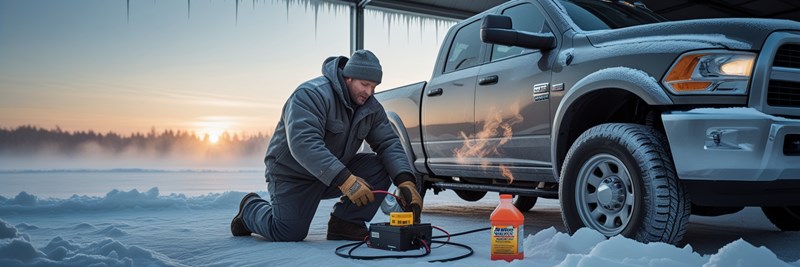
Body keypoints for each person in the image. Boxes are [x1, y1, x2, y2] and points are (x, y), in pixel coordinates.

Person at [230, 50, 423, 242]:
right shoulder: (311, 95)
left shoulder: (371, 108)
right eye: (364, 84)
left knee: (382, 166)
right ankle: (250, 209)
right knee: (288, 232)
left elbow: (388, 143)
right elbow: (304, 143)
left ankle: (346, 223)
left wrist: (405, 181)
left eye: (373, 87)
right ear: (348, 77)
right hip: (293, 175)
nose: (369, 92)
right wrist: (345, 179)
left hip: (333, 173)